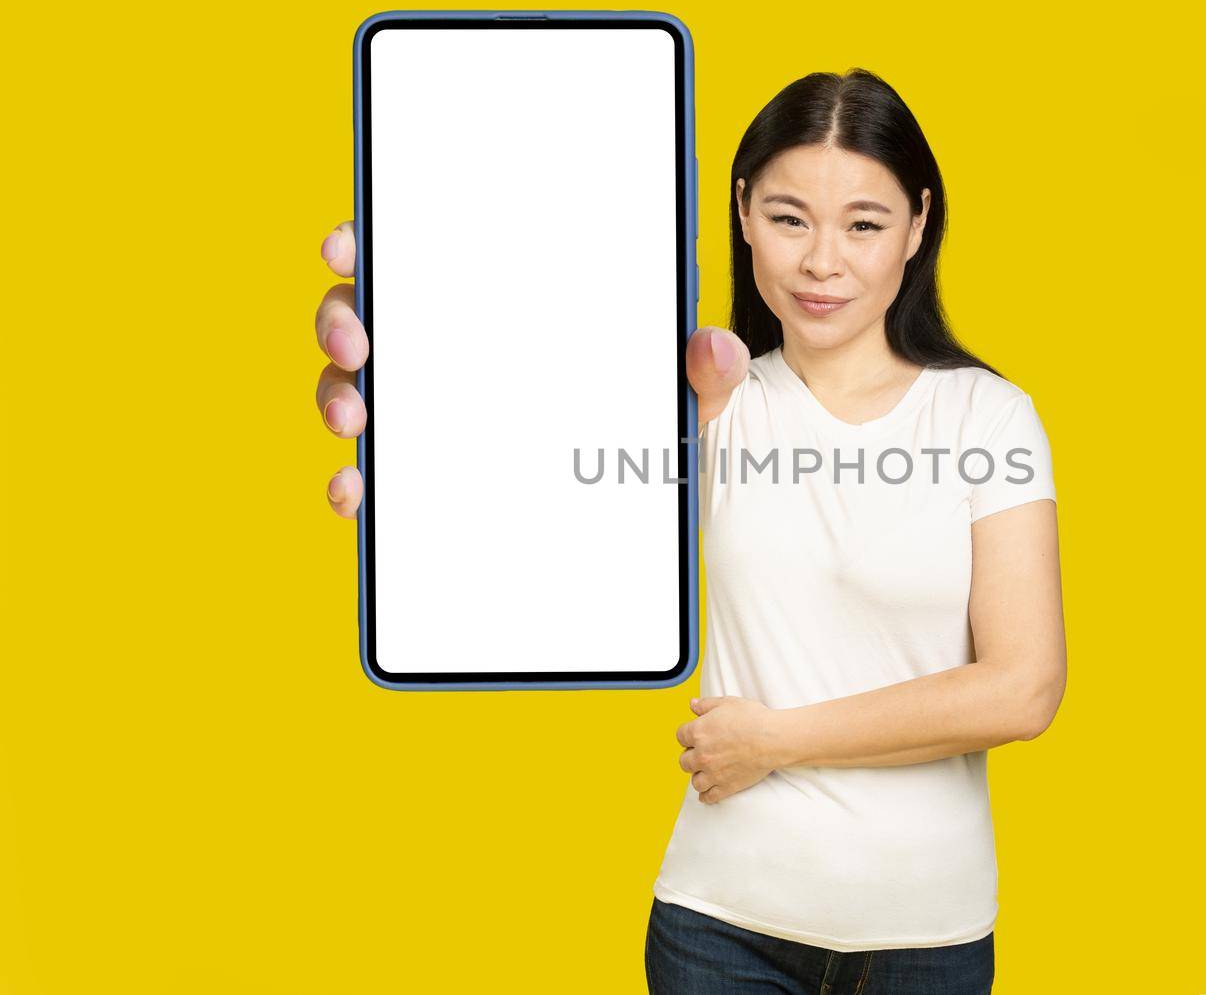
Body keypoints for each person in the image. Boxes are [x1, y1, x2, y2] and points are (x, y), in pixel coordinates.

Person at [312, 68, 1066, 994]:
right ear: (742, 210)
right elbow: (527, 497)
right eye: (789, 218)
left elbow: (1022, 689)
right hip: (719, 930)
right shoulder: (700, 403)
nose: (823, 261)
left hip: (932, 937)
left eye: (863, 224)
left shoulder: (987, 418)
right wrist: (415, 343)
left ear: (917, 222)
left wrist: (775, 741)